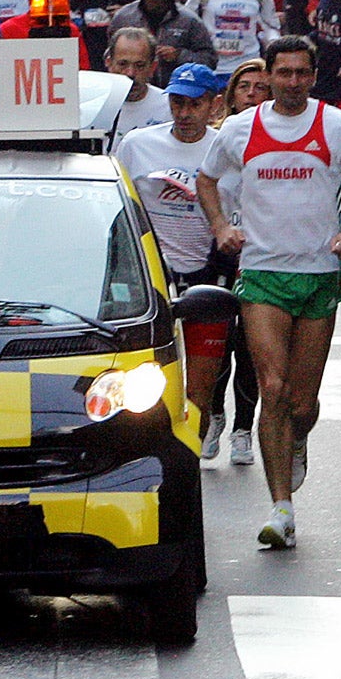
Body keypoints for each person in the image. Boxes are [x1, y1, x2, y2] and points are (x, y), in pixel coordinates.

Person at [195, 36, 341, 551]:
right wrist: (219, 227)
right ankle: (281, 509)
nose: (293, 82)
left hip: (318, 274)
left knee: (303, 401)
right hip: (263, 272)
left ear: (313, 75)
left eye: (302, 73)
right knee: (271, 389)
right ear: (268, 76)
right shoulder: (240, 128)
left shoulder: (338, 128)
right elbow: (207, 181)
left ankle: (295, 443)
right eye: (284, 73)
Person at [115, 64, 241, 454]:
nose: (184, 114)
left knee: (199, 390)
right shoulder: (137, 145)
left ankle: (190, 463)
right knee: (144, 388)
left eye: (195, 105)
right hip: (154, 280)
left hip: (208, 276)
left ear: (214, 105)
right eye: (177, 103)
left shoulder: (228, 149)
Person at [110, 0, 210, 83]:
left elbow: (209, 60)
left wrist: (179, 55)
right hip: (130, 88)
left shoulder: (189, 20)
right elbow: (108, 55)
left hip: (173, 91)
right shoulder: (123, 17)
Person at [102, 28, 170, 146]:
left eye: (140, 66)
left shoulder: (168, 106)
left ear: (152, 67)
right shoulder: (95, 106)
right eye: (123, 64)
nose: (130, 73)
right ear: (109, 63)